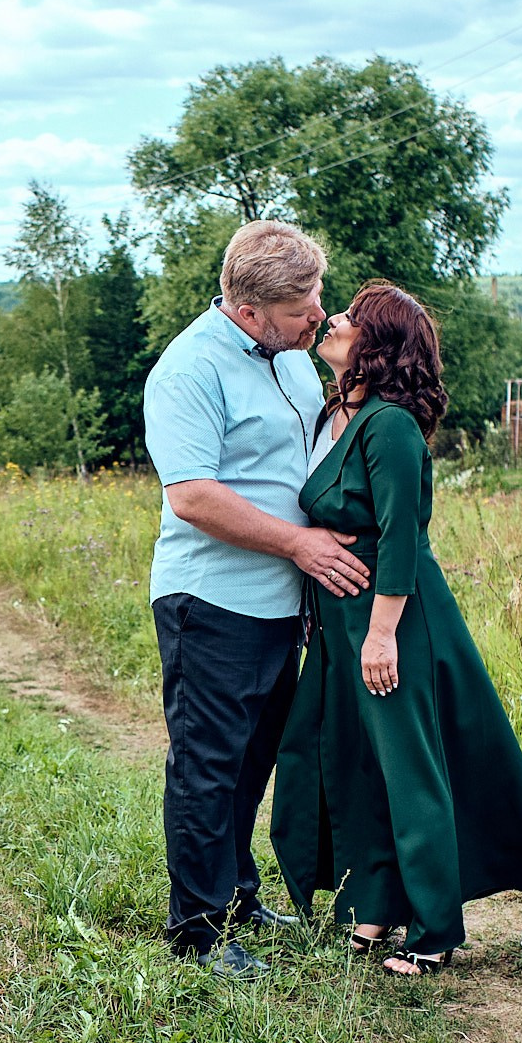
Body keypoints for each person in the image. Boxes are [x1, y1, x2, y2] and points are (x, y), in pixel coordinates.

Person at [270, 281, 522, 976]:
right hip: (340, 623)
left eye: (349, 317)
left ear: (375, 346)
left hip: (393, 618)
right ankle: (369, 910)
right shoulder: (335, 415)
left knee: (409, 772)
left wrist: (381, 635)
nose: (332, 318)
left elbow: (404, 535)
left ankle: (434, 929)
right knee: (349, 762)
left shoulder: (392, 425)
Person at [142, 220, 373, 980]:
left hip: (281, 605)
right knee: (208, 766)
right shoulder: (189, 370)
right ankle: (198, 932)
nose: (320, 314)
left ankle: (237, 896)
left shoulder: (294, 360)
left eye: (317, 297)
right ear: (250, 310)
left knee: (251, 763)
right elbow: (195, 497)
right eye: (304, 304)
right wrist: (300, 546)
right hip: (210, 602)